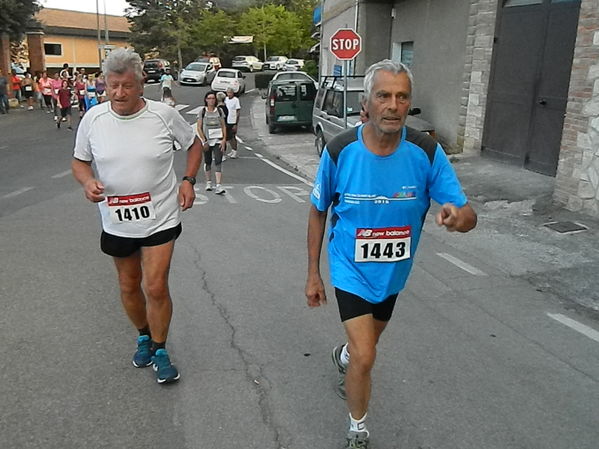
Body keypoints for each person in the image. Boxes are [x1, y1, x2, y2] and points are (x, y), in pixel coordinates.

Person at [305, 59, 477, 449]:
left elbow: (468, 216)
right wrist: (313, 274)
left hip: (394, 273)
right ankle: (357, 431)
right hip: (349, 267)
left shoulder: (425, 152)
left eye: (402, 97)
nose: (393, 105)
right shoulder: (340, 150)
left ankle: (344, 356)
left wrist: (458, 217)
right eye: (384, 95)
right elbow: (318, 212)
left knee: (364, 348)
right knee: (367, 356)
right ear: (367, 102)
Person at [71, 48, 203, 385]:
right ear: (105, 84)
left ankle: (160, 349)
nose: (118, 93)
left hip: (160, 216)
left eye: (126, 86)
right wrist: (87, 182)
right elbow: (80, 161)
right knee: (129, 285)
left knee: (155, 285)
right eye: (112, 86)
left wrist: (188, 180)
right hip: (116, 220)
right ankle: (144, 335)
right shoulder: (94, 119)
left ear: (141, 84)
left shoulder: (163, 115)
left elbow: (194, 144)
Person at [196, 91, 227, 194]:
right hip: (207, 141)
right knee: (207, 161)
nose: (211, 101)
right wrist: (204, 140)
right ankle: (208, 182)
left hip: (218, 140)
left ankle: (219, 185)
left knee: (218, 161)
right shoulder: (202, 112)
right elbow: (199, 127)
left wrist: (223, 140)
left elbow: (223, 126)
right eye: (209, 98)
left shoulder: (219, 111)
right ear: (206, 100)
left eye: (213, 98)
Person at [223, 87, 241, 159]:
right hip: (226, 120)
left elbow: (238, 111)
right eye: (228, 93)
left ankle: (235, 151)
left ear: (233, 93)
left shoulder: (236, 100)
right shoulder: (225, 99)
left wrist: (236, 124)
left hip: (232, 121)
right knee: (227, 137)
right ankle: (231, 151)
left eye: (230, 92)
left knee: (232, 137)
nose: (229, 94)